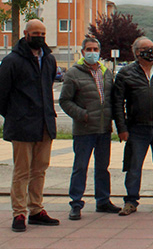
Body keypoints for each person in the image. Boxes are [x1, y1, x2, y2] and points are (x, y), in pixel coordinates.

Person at [0, 19, 60, 232]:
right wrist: (15, 115)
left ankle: (36, 209)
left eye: (42, 33)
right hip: (22, 125)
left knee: (40, 170)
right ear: (25, 33)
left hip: (44, 124)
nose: (39, 37)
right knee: (22, 171)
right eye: (35, 33)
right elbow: (0, 95)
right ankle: (19, 213)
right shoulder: (12, 60)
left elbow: (48, 88)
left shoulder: (49, 59)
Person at [112, 37, 153, 216]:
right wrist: (122, 128)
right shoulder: (125, 73)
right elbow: (117, 103)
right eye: (145, 48)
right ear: (136, 52)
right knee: (134, 167)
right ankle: (131, 201)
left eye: (152, 48)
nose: (150, 51)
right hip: (137, 129)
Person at [59, 37, 121, 220]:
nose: (92, 52)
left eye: (95, 49)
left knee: (103, 168)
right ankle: (76, 203)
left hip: (103, 129)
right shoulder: (73, 73)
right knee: (80, 167)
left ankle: (103, 200)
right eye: (89, 49)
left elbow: (112, 99)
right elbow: (65, 101)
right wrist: (82, 114)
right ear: (82, 52)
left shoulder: (106, 72)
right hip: (84, 130)